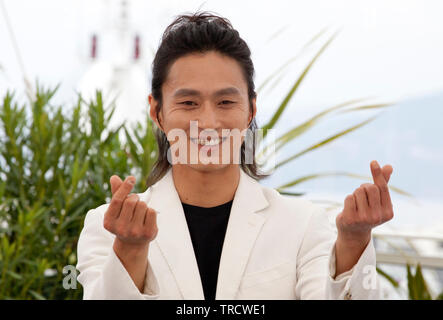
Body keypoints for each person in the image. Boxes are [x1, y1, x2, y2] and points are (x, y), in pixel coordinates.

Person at [76, 11, 394, 300]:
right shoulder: (106, 229)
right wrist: (130, 251)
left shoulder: (303, 225)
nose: (210, 123)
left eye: (226, 103)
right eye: (188, 103)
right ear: (157, 111)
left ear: (251, 110)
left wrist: (353, 242)